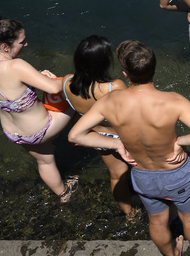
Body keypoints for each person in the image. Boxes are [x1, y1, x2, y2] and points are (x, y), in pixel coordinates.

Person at [70, 41, 190, 256]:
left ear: (125, 73)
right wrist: (180, 141)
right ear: (154, 68)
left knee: (157, 220)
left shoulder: (109, 102)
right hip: (176, 172)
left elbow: (76, 135)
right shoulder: (173, 101)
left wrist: (117, 145)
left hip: (142, 174)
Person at [0, 14, 75, 202]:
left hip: (14, 133)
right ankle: (86, 140)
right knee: (76, 101)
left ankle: (64, 194)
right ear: (5, 47)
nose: (26, 44)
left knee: (45, 160)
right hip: (39, 130)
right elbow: (54, 87)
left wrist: (37, 77)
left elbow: (10, 89)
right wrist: (75, 79)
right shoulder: (16, 65)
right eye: (22, 42)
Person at [56, 36, 134, 219]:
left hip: (96, 136)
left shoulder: (67, 82)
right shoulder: (113, 86)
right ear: (104, 63)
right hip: (120, 136)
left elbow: (76, 110)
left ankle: (129, 212)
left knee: (116, 175)